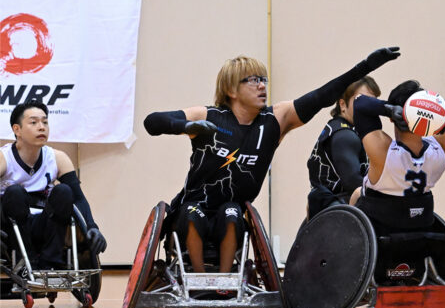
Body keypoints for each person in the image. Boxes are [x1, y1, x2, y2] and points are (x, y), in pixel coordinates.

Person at [143, 47, 399, 274]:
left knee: (232, 214)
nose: (262, 86)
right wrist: (186, 125)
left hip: (232, 210)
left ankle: (224, 282)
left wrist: (366, 66)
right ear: (231, 89)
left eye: (263, 79)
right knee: (191, 214)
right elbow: (152, 122)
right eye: (252, 80)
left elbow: (323, 95)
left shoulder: (276, 119)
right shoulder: (208, 115)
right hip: (193, 207)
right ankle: (198, 280)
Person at [348, 81, 445, 231]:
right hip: (419, 232)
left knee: (356, 194)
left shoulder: (383, 152)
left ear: (392, 118)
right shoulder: (442, 149)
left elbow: (359, 102)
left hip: (379, 232)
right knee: (358, 192)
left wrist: (387, 109)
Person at [0, 102, 106, 269]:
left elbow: (79, 198)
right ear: (17, 130)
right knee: (15, 193)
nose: (41, 127)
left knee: (64, 191)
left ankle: (51, 262)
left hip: (44, 225)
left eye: (45, 122)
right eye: (33, 122)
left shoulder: (58, 158)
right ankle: (25, 262)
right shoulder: (4, 158)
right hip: (10, 229)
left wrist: (92, 227)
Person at [306, 76, 380, 219]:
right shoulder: (345, 135)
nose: (368, 107)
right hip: (336, 212)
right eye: (361, 100)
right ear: (342, 104)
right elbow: (353, 182)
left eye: (373, 102)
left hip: (328, 205)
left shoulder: (341, 128)